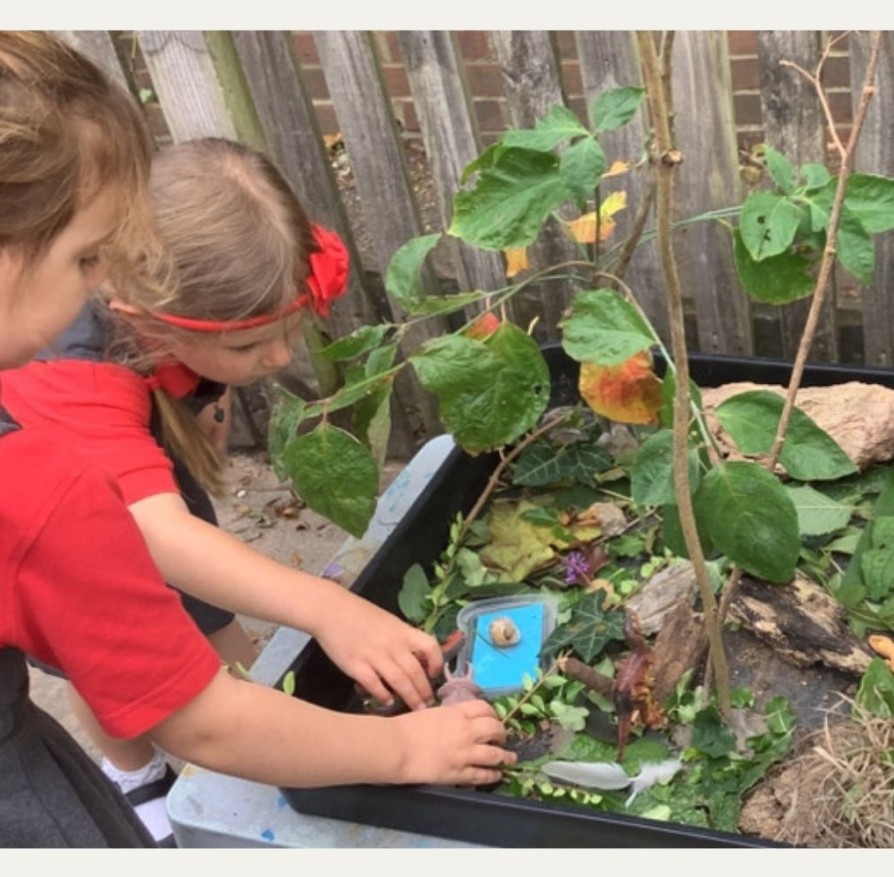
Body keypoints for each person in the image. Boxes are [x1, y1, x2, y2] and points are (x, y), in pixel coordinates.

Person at [0, 31, 512, 848]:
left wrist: (206, 386)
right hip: (68, 524)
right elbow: (160, 568)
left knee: (189, 606)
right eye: (87, 256)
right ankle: (140, 778)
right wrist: (342, 636)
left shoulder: (264, 265)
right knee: (134, 662)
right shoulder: (61, 423)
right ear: (144, 318)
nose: (277, 360)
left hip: (118, 464)